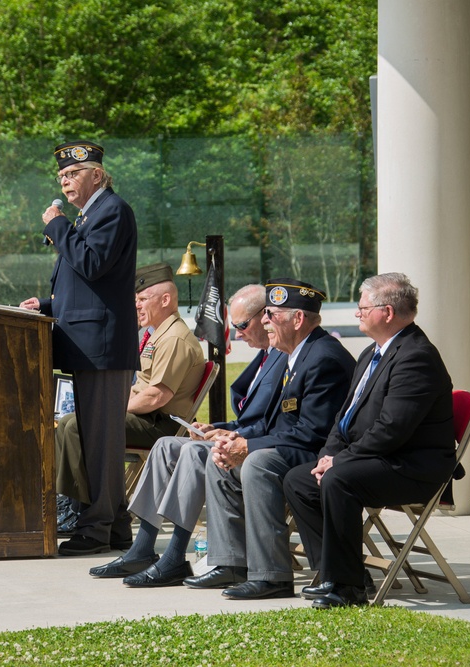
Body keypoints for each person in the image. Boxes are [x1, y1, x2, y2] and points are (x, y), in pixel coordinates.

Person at [88, 284, 286, 583]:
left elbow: (275, 423)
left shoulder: (284, 357)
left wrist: (236, 436)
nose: (237, 333)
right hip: (242, 438)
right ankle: (143, 547)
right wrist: (220, 428)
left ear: (265, 316)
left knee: (193, 453)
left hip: (261, 450)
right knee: (166, 446)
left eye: (243, 325)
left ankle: (174, 556)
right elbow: (254, 416)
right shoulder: (264, 358)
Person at [284, 273, 455, 609]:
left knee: (339, 480)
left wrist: (340, 462)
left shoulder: (415, 357)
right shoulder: (370, 354)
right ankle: (336, 573)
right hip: (378, 459)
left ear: (387, 313)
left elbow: (392, 429)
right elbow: (343, 418)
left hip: (411, 467)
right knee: (298, 480)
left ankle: (348, 589)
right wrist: (327, 455)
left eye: (363, 308)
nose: (357, 314)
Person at [186, 278, 355, 597]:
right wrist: (234, 442)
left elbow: (313, 432)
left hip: (320, 455)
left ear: (298, 319)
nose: (264, 321)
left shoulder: (323, 357)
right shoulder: (296, 354)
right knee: (221, 461)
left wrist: (250, 447)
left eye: (271, 315)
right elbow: (276, 424)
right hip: (296, 448)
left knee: (258, 464)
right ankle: (232, 563)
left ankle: (272, 576)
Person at [19, 141, 138, 557]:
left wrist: (56, 226)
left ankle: (97, 526)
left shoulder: (112, 211)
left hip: (101, 348)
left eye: (73, 174)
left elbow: (91, 264)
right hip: (86, 343)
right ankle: (117, 526)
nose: (65, 182)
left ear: (98, 176)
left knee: (100, 443)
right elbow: (89, 284)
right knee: (92, 439)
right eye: (61, 177)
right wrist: (47, 305)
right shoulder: (90, 215)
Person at [56, 262, 206, 533]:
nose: (136, 305)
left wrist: (108, 409)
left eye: (142, 299)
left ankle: (80, 506)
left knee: (79, 425)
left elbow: (156, 397)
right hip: (145, 419)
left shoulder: (174, 339)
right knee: (68, 422)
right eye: (135, 299)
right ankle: (72, 503)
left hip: (159, 425)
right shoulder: (157, 334)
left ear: (166, 299)